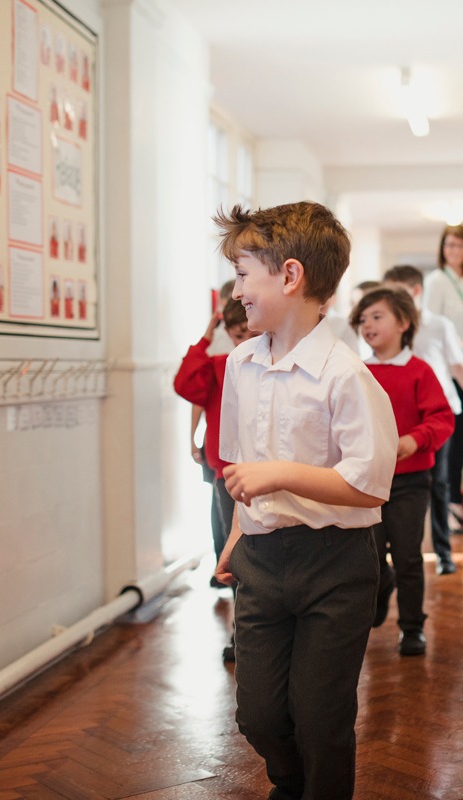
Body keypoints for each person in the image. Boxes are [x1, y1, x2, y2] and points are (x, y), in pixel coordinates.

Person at [214, 202, 398, 800]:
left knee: (321, 719)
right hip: (262, 561)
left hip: (335, 564)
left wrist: (281, 475)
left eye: (244, 274)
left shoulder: (346, 375)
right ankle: (290, 783)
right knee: (259, 716)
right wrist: (236, 539)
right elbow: (242, 470)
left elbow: (368, 484)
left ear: (290, 276)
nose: (237, 289)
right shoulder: (240, 364)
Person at [351, 286, 453, 654]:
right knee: (371, 558)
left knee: (409, 555)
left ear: (403, 323)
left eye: (376, 316)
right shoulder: (356, 371)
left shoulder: (419, 371)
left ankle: (412, 628)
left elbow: (442, 418)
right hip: (366, 484)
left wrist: (415, 439)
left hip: (410, 482)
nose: (367, 324)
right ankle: (381, 590)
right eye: (362, 319)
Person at [173, 298, 253, 660]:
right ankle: (241, 635)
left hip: (264, 467)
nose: (243, 341)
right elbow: (187, 385)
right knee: (234, 552)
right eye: (236, 335)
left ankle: (255, 632)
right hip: (227, 468)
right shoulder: (221, 363)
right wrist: (204, 340)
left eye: (247, 334)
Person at [383, 264, 463, 574]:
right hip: (404, 419)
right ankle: (401, 555)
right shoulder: (390, 327)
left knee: (440, 484)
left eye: (397, 293)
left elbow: (456, 366)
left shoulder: (439, 325)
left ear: (415, 292)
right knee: (406, 485)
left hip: (441, 413)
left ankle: (443, 554)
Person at [424, 223, 463, 532]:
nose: (454, 251)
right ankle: (452, 506)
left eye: (459, 245)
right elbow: (432, 330)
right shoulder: (437, 281)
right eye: (449, 245)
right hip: (452, 369)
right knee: (456, 438)